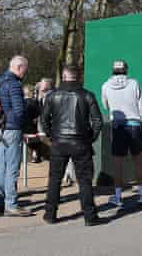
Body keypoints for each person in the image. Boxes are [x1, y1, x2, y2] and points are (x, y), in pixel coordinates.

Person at [41, 64, 105, 226]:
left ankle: (50, 214)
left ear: (63, 76)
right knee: (84, 181)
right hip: (81, 141)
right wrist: (91, 138)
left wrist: (51, 135)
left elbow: (44, 120)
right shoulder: (87, 95)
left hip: (59, 141)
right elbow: (98, 121)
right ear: (78, 77)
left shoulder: (52, 95)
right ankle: (90, 216)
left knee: (55, 179)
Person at [101, 59, 142, 208]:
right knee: (138, 160)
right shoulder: (134, 83)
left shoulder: (105, 86)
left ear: (113, 70)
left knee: (118, 162)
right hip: (135, 124)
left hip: (118, 126)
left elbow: (105, 105)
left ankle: (118, 196)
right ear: (126, 70)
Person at [0, 55, 31, 217]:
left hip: (0, 128)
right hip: (12, 128)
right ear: (19, 67)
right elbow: (18, 110)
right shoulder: (14, 84)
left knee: (1, 166)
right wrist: (25, 124)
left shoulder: (0, 81)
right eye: (25, 70)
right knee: (12, 168)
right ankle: (11, 204)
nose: (25, 73)